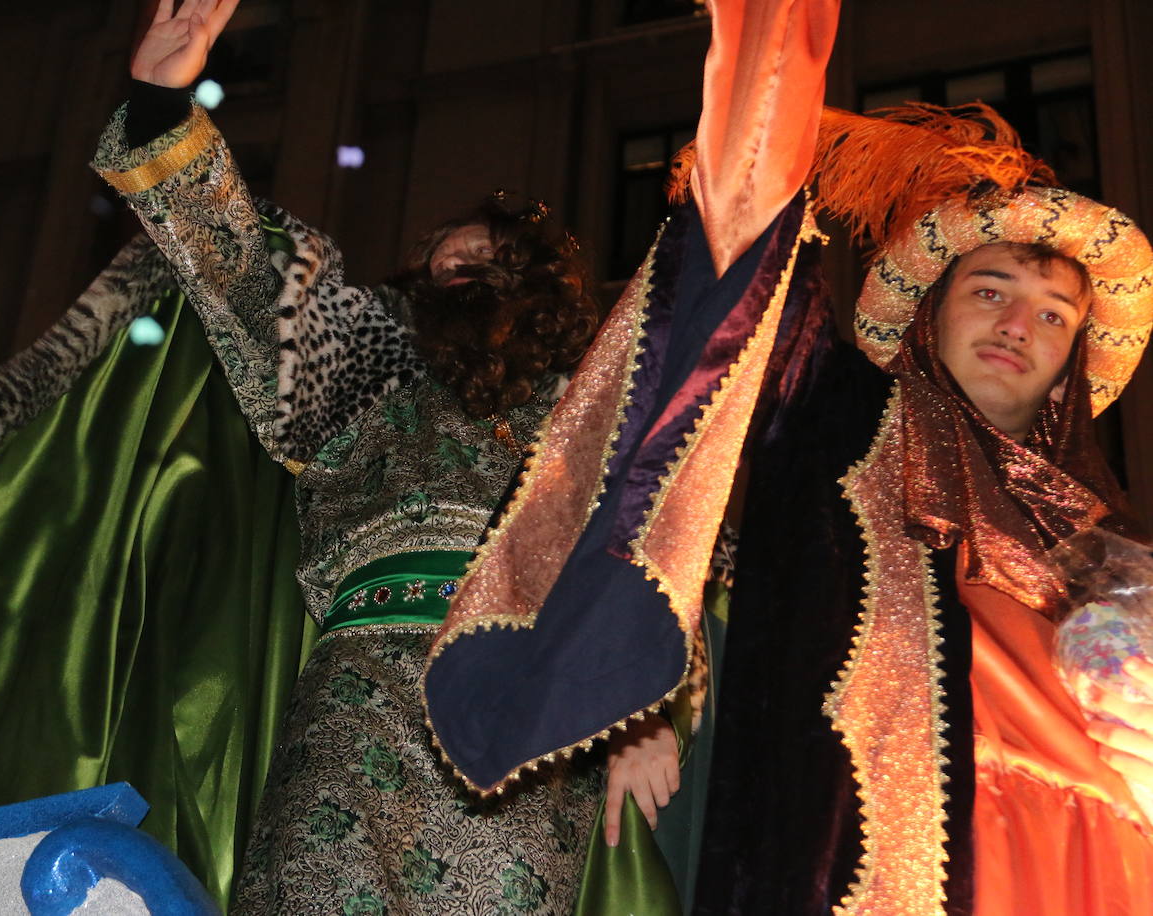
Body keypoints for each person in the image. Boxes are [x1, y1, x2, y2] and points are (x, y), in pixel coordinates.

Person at [422, 0, 1153, 912]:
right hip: (881, 848)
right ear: (927, 311)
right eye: (991, 289)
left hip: (1094, 858)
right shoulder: (835, 410)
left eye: (1054, 314)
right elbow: (742, 241)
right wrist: (773, 47)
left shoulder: (1105, 538)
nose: (1019, 326)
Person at [92, 1, 622, 912]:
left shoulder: (599, 396)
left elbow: (674, 541)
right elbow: (246, 276)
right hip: (359, 684)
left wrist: (659, 712)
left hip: (529, 699)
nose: (455, 267)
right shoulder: (371, 358)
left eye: (486, 260)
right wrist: (160, 111)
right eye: (440, 261)